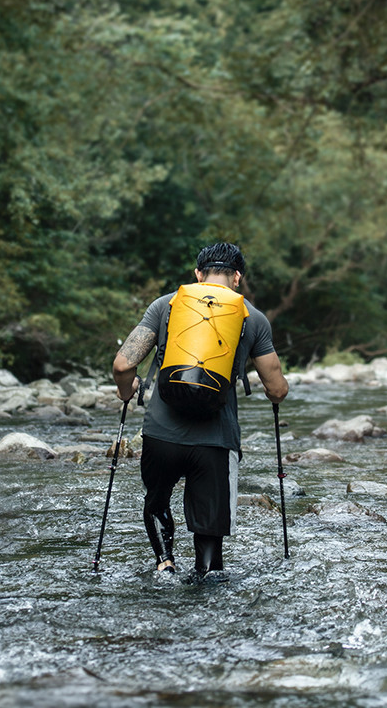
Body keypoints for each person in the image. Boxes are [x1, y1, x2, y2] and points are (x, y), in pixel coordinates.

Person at [113, 242, 289, 580]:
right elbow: (277, 389)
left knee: (157, 500)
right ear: (237, 277)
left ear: (198, 274)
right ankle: (206, 576)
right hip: (216, 441)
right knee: (209, 533)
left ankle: (165, 564)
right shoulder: (253, 318)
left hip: (161, 434)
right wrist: (275, 393)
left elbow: (123, 365)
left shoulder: (166, 305)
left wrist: (126, 391)